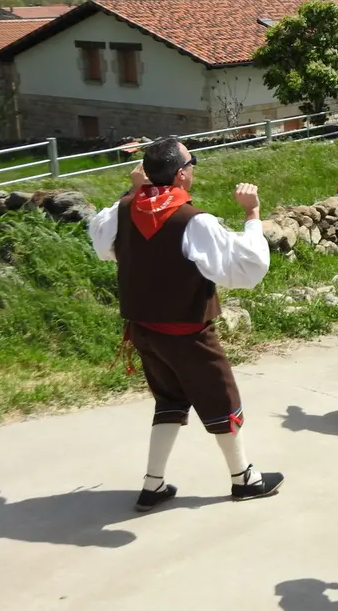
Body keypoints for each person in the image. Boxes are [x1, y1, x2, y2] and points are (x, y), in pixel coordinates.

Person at [88, 138, 284, 511]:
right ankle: (244, 479)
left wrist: (132, 190)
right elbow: (245, 269)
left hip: (143, 329)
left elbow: (102, 245)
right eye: (192, 163)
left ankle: (153, 484)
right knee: (222, 399)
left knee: (170, 400)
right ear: (181, 173)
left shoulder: (125, 209)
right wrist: (252, 214)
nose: (193, 168)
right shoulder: (194, 220)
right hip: (187, 332)